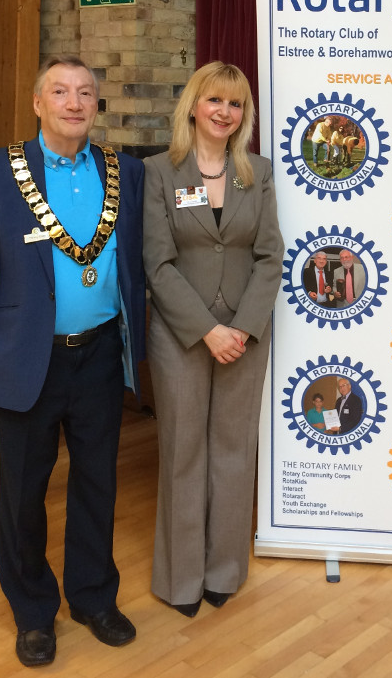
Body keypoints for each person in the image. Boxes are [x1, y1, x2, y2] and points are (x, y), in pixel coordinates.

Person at [0, 55, 146, 667]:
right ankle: (34, 611)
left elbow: (134, 261)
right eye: (61, 91)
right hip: (23, 358)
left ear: (97, 105)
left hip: (97, 355)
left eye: (86, 93)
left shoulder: (124, 172)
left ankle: (93, 597)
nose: (74, 102)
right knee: (22, 492)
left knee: (97, 482)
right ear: (39, 103)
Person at [143, 61, 283, 619]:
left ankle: (224, 571)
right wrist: (206, 330)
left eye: (236, 104)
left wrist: (242, 328)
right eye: (215, 101)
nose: (225, 112)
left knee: (232, 450)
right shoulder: (159, 171)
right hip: (182, 335)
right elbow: (157, 263)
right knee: (182, 453)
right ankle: (181, 578)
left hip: (246, 335)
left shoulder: (259, 172)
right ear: (194, 106)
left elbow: (270, 256)